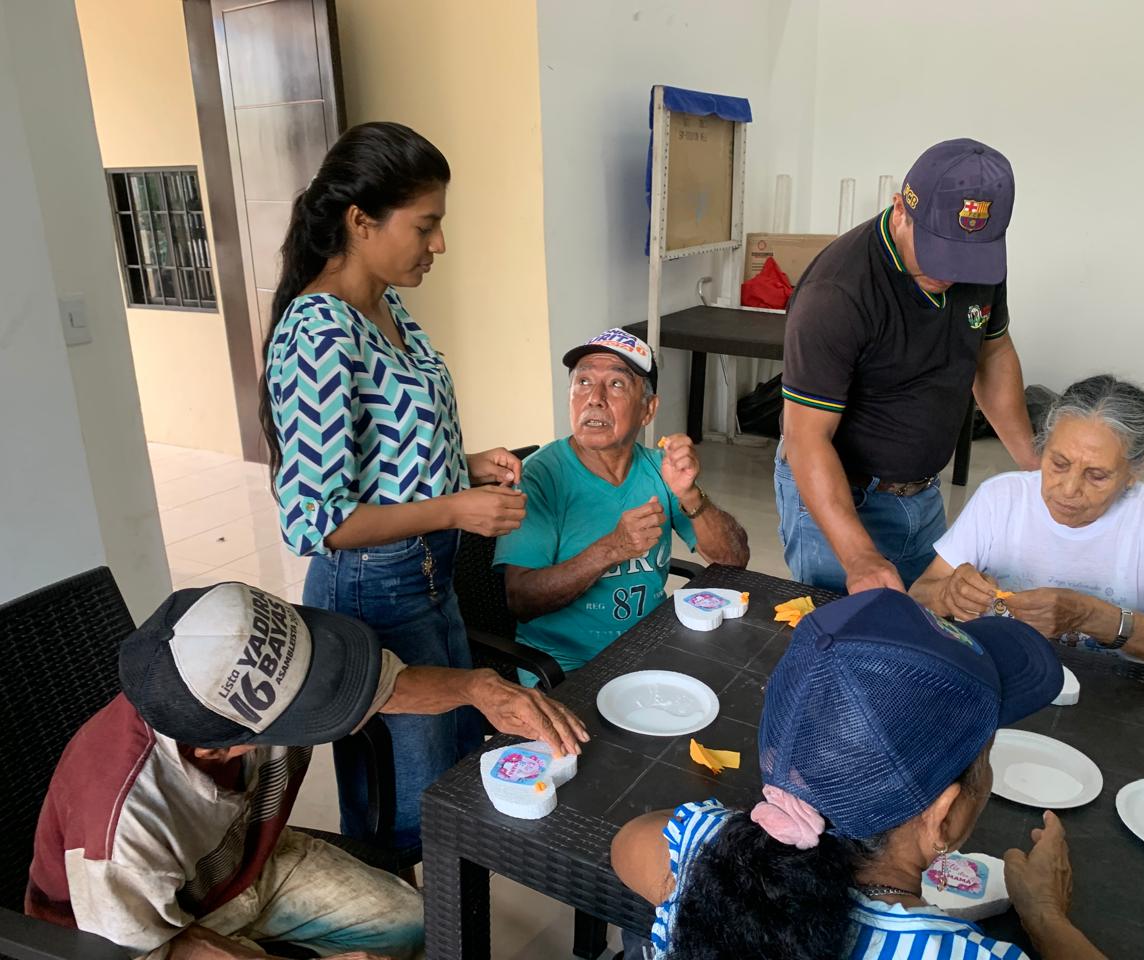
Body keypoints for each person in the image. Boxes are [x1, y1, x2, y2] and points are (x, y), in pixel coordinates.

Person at [26, 582, 587, 960]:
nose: (329, 697)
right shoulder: (121, 828)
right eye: (309, 706)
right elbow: (142, 951)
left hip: (250, 859)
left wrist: (478, 688)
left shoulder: (243, 666)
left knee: (416, 922)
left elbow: (388, 687)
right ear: (220, 751)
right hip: (144, 931)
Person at [261, 122, 530, 852]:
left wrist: (463, 464)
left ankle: (437, 904)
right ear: (360, 221)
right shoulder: (319, 333)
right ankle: (403, 910)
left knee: (448, 774)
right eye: (425, 224)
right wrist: (455, 507)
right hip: (371, 590)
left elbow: (381, 450)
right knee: (407, 808)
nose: (438, 243)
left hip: (428, 575)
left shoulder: (385, 304)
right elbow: (318, 521)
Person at [611, 589, 1106, 960]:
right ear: (945, 816)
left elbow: (630, 841)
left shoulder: (700, 849)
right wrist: (1046, 918)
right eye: (987, 756)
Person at [776, 138, 1041, 596]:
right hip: (844, 498)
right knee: (848, 631)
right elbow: (806, 437)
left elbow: (992, 353)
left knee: (932, 621)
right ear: (900, 209)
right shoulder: (838, 293)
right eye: (939, 251)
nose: (951, 273)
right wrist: (859, 557)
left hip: (924, 494)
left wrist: (1035, 467)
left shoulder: (977, 263)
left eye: (965, 257)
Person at [910, 375, 1144, 671]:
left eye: (1097, 475)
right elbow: (919, 594)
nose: (1069, 489)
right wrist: (949, 594)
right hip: (1002, 673)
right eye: (1058, 463)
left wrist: (1092, 617)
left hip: (1119, 691)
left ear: (1135, 470)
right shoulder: (1001, 497)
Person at [495, 329, 750, 679]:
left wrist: (690, 494)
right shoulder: (540, 476)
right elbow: (521, 600)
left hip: (650, 650)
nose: (594, 398)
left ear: (648, 409)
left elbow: (734, 559)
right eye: (583, 382)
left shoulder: (660, 469)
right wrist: (612, 549)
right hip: (565, 668)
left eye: (616, 384)